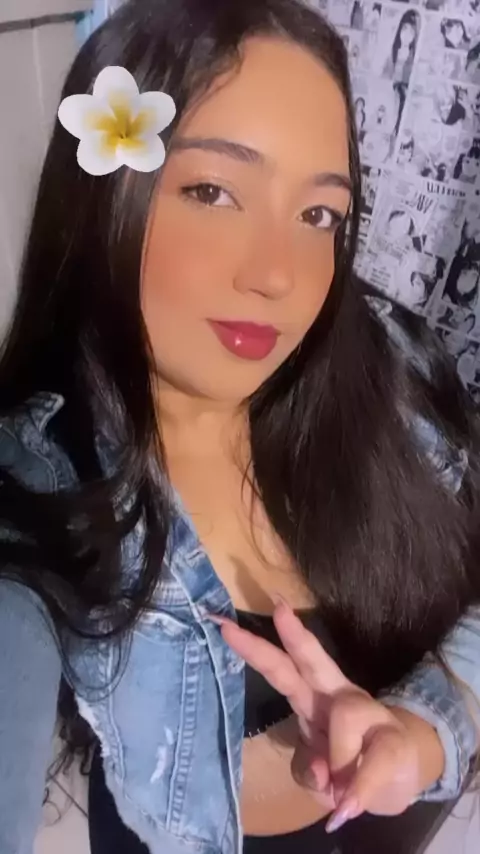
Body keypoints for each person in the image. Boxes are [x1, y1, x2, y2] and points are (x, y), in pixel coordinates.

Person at [1, 3, 480, 854]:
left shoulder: (388, 363)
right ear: (106, 201)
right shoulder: (37, 474)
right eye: (213, 192)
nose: (278, 276)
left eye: (319, 215)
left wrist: (422, 731)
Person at [382, 10, 420, 84]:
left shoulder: (414, 59)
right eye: (404, 28)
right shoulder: (391, 54)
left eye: (411, 31)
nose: (407, 34)